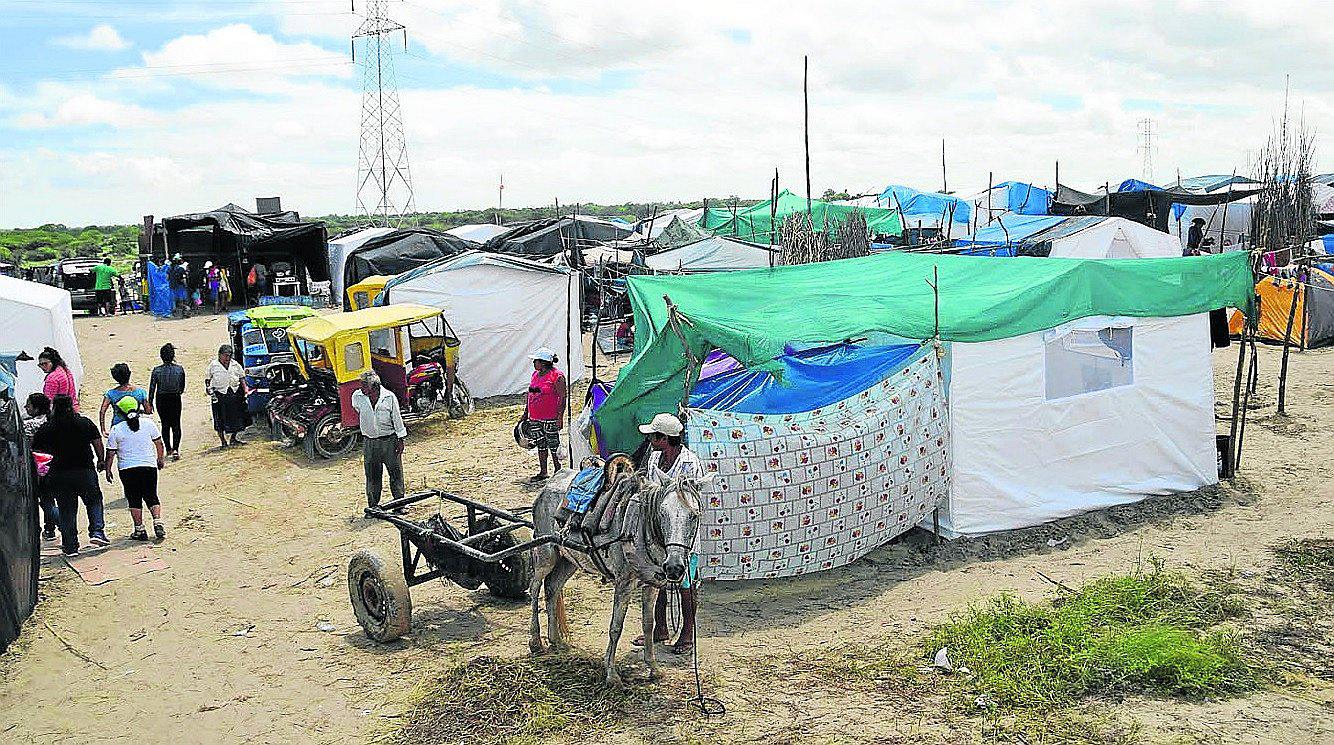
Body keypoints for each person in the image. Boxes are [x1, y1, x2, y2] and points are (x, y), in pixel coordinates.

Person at [633, 412, 704, 655]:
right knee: (658, 580)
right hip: (660, 531)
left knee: (686, 584)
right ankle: (660, 628)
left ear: (664, 438)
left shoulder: (689, 463)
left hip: (682, 535)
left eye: (654, 436)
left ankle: (687, 634)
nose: (650, 439)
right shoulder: (654, 458)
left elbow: (690, 502)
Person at [32, 395, 109, 556]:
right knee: (94, 500)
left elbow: (37, 453)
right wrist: (101, 460)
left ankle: (70, 546)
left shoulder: (46, 428)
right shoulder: (84, 422)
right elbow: (97, 442)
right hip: (84, 470)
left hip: (58, 474)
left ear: (54, 408)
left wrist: (42, 474)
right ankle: (97, 532)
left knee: (67, 510)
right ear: (71, 407)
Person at [104, 398, 167, 541]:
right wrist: (160, 459)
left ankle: (139, 529)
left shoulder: (116, 429)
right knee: (151, 495)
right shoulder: (148, 424)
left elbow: (110, 453)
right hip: (148, 466)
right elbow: (159, 443)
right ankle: (157, 521)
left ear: (120, 412)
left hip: (127, 469)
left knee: (134, 498)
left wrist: (108, 469)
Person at [351, 370, 407, 509]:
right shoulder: (357, 397)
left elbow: (397, 418)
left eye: (364, 385)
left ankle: (399, 506)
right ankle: (373, 506)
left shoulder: (389, 397)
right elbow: (358, 410)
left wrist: (400, 439)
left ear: (374, 387)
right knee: (372, 476)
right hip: (370, 442)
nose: (361, 388)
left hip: (390, 441)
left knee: (395, 474)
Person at [524, 347, 567, 481]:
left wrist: (560, 417)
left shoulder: (557, 376)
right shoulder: (535, 375)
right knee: (541, 444)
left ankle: (558, 471)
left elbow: (562, 397)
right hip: (535, 417)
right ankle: (543, 472)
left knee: (553, 445)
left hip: (550, 418)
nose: (533, 363)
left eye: (536, 361)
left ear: (543, 362)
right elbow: (530, 395)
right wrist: (526, 413)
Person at [22, 393, 59, 541]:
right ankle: (50, 529)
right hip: (56, 465)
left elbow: (27, 447)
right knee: (49, 499)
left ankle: (62, 523)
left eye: (28, 405)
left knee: (44, 500)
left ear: (36, 408)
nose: (25, 407)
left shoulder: (30, 424)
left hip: (38, 467)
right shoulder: (53, 421)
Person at [205, 344, 249, 448]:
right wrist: (208, 388)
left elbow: (242, 377)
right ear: (220, 355)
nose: (227, 358)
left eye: (229, 356)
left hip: (234, 393)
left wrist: (245, 389)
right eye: (225, 355)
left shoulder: (235, 364)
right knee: (219, 419)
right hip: (220, 395)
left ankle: (233, 438)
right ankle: (223, 442)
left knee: (238, 417)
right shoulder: (213, 365)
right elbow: (207, 379)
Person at [149, 343, 186, 460]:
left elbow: (152, 388)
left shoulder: (157, 371)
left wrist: (150, 402)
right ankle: (176, 449)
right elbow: (181, 387)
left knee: (165, 424)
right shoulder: (179, 369)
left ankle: (169, 449)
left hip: (161, 399)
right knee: (176, 424)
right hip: (175, 397)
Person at [99, 362, 151, 437]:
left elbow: (102, 411)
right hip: (135, 426)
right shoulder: (140, 392)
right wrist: (139, 411)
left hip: (117, 426)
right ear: (129, 374)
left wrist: (103, 430)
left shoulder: (110, 394)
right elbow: (148, 411)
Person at [37, 347, 79, 411]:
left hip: (60, 412)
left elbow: (48, 402)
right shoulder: (65, 370)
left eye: (45, 364)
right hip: (72, 408)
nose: (43, 367)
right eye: (40, 365)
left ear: (53, 362)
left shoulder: (52, 378)